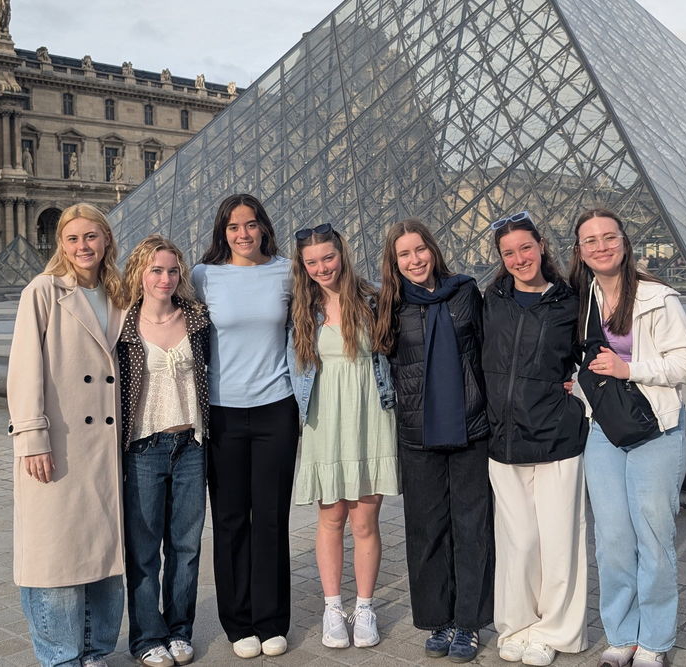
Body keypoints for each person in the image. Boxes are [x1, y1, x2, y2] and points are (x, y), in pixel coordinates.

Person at [569, 208, 686, 667]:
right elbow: (580, 357)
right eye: (591, 241)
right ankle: (622, 633)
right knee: (612, 539)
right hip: (604, 428)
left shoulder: (658, 297)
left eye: (609, 237)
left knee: (653, 535)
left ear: (624, 243)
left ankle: (656, 640)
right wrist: (581, 386)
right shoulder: (581, 300)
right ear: (580, 252)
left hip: (657, 429)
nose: (601, 246)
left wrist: (631, 369)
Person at [6, 203, 129, 667]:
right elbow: (23, 371)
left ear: (107, 240)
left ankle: (95, 651)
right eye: (73, 238)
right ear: (61, 243)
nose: (83, 247)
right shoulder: (43, 291)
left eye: (92, 237)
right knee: (54, 558)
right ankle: (60, 656)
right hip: (58, 445)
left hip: (105, 450)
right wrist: (32, 438)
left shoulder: (118, 293)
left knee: (101, 558)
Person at [374, 218, 493, 663]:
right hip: (418, 433)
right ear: (395, 261)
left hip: (470, 426)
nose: (414, 260)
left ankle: (469, 623)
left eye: (420, 250)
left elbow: (487, 353)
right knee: (426, 531)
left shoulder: (465, 292)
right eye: (404, 254)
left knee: (472, 529)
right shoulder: (389, 305)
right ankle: (436, 619)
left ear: (433, 250)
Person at [192, 193, 297, 659]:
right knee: (231, 520)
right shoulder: (203, 275)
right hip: (223, 412)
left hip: (277, 408)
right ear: (223, 232)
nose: (244, 234)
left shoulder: (288, 271)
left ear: (264, 227)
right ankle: (238, 622)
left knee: (271, 518)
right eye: (234, 227)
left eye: (251, 224)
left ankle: (272, 619)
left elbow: (337, 298)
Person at [482, 212, 589, 666]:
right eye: (508, 252)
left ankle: (556, 632)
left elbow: (600, 355)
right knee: (518, 541)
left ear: (541, 245)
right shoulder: (490, 299)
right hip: (502, 440)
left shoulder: (572, 302)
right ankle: (517, 625)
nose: (519, 258)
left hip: (556, 438)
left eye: (525, 248)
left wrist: (577, 389)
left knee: (560, 540)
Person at [288, 224, 400, 650]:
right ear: (303, 265)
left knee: (365, 520)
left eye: (328, 258)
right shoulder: (300, 308)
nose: (321, 268)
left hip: (370, 417)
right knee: (331, 519)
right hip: (324, 419)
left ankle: (365, 606)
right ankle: (333, 607)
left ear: (342, 254)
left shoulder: (374, 300)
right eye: (312, 262)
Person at [118, 235, 211, 667]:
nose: (166, 278)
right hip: (143, 448)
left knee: (186, 547)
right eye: (156, 269)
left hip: (190, 444)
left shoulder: (196, 318)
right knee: (142, 551)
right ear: (140, 272)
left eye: (172, 270)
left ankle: (179, 630)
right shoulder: (122, 325)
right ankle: (146, 637)